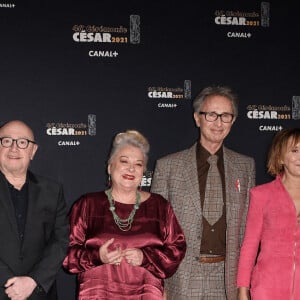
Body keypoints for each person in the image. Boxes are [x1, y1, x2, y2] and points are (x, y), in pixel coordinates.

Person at [151, 85, 256, 299]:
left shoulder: (245, 167)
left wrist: (244, 286)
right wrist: (157, 284)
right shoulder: (168, 167)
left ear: (233, 121)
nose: (218, 122)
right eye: (211, 115)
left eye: (225, 115)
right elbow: (156, 232)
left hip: (227, 279)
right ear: (197, 118)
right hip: (181, 277)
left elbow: (248, 231)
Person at [63, 130, 186, 299]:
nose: (131, 168)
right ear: (109, 167)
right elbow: (65, 254)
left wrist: (146, 257)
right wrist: (97, 256)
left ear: (143, 171)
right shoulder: (87, 205)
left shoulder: (160, 206)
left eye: (138, 164)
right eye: (124, 161)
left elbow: (176, 249)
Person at [0, 120, 69, 300]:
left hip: (38, 292)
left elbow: (60, 240)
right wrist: (8, 281)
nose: (14, 148)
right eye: (6, 141)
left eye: (23, 142)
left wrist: (32, 281)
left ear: (33, 151)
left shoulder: (52, 191)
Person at [237, 128, 300, 299]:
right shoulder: (261, 195)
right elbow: (250, 245)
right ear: (280, 157)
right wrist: (243, 290)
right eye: (294, 150)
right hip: (268, 287)